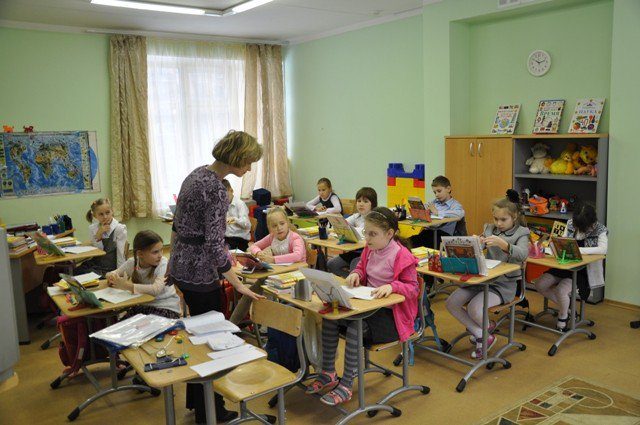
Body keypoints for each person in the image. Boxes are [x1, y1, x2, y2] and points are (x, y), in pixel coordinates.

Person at [167, 130, 264, 424]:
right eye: (248, 162)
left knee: (197, 336)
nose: (249, 168)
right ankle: (212, 411)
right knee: (211, 340)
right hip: (200, 273)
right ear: (237, 157)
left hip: (183, 267)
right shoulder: (217, 190)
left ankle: (198, 403)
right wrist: (238, 283)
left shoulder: (196, 174)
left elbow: (177, 226)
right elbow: (213, 245)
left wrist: (172, 262)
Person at [305, 207, 419, 406]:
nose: (367, 238)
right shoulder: (370, 249)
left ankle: (346, 385)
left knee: (354, 327)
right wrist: (356, 273)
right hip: (369, 306)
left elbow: (413, 288)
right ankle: (328, 372)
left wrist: (392, 286)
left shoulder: (402, 255)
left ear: (389, 234)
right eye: (366, 232)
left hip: (392, 317)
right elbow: (361, 267)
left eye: (373, 234)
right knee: (330, 316)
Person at [445, 190, 529, 359]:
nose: (498, 223)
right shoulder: (490, 229)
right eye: (496, 219)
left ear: (514, 217)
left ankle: (482, 334)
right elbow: (479, 248)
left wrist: (504, 245)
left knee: (475, 308)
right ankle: (482, 333)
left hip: (503, 284)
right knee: (451, 302)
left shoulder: (522, 233)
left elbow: (523, 254)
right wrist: (475, 243)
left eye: (503, 219)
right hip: (482, 279)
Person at [534, 202, 608, 330]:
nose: (577, 228)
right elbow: (563, 241)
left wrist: (578, 250)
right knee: (540, 284)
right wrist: (554, 246)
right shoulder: (570, 224)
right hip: (564, 265)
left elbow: (603, 249)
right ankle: (568, 309)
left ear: (590, 223)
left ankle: (563, 317)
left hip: (582, 270)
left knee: (561, 290)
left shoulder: (600, 229)